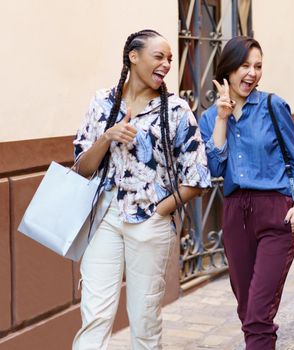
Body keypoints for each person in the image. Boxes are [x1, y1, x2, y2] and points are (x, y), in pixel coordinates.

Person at [72, 29, 211, 350]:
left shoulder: (176, 111)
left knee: (145, 320)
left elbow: (197, 178)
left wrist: (158, 212)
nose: (166, 65)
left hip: (149, 224)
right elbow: (82, 167)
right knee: (95, 316)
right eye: (158, 56)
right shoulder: (102, 102)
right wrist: (108, 137)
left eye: (170, 59)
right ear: (133, 57)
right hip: (103, 220)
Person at [198, 36, 294, 350]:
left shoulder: (273, 106)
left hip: (276, 212)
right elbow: (214, 169)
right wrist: (221, 118)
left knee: (259, 314)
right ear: (227, 69)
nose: (251, 73)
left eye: (258, 66)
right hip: (236, 214)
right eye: (244, 65)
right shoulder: (209, 119)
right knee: (247, 310)